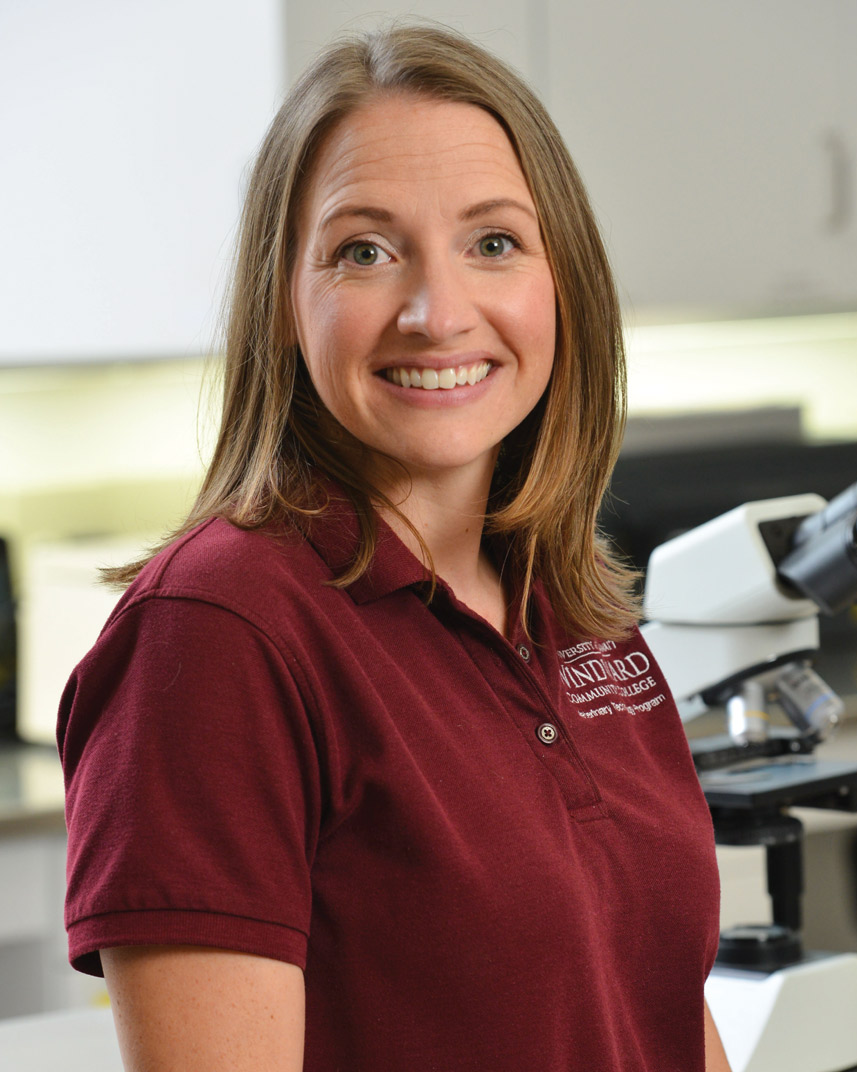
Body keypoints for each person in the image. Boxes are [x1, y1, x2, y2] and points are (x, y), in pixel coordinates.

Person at [58, 22, 731, 1072]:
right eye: (363, 251)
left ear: (565, 283)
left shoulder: (566, 605)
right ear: (286, 301)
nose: (435, 311)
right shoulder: (216, 636)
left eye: (493, 242)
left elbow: (650, 1005)